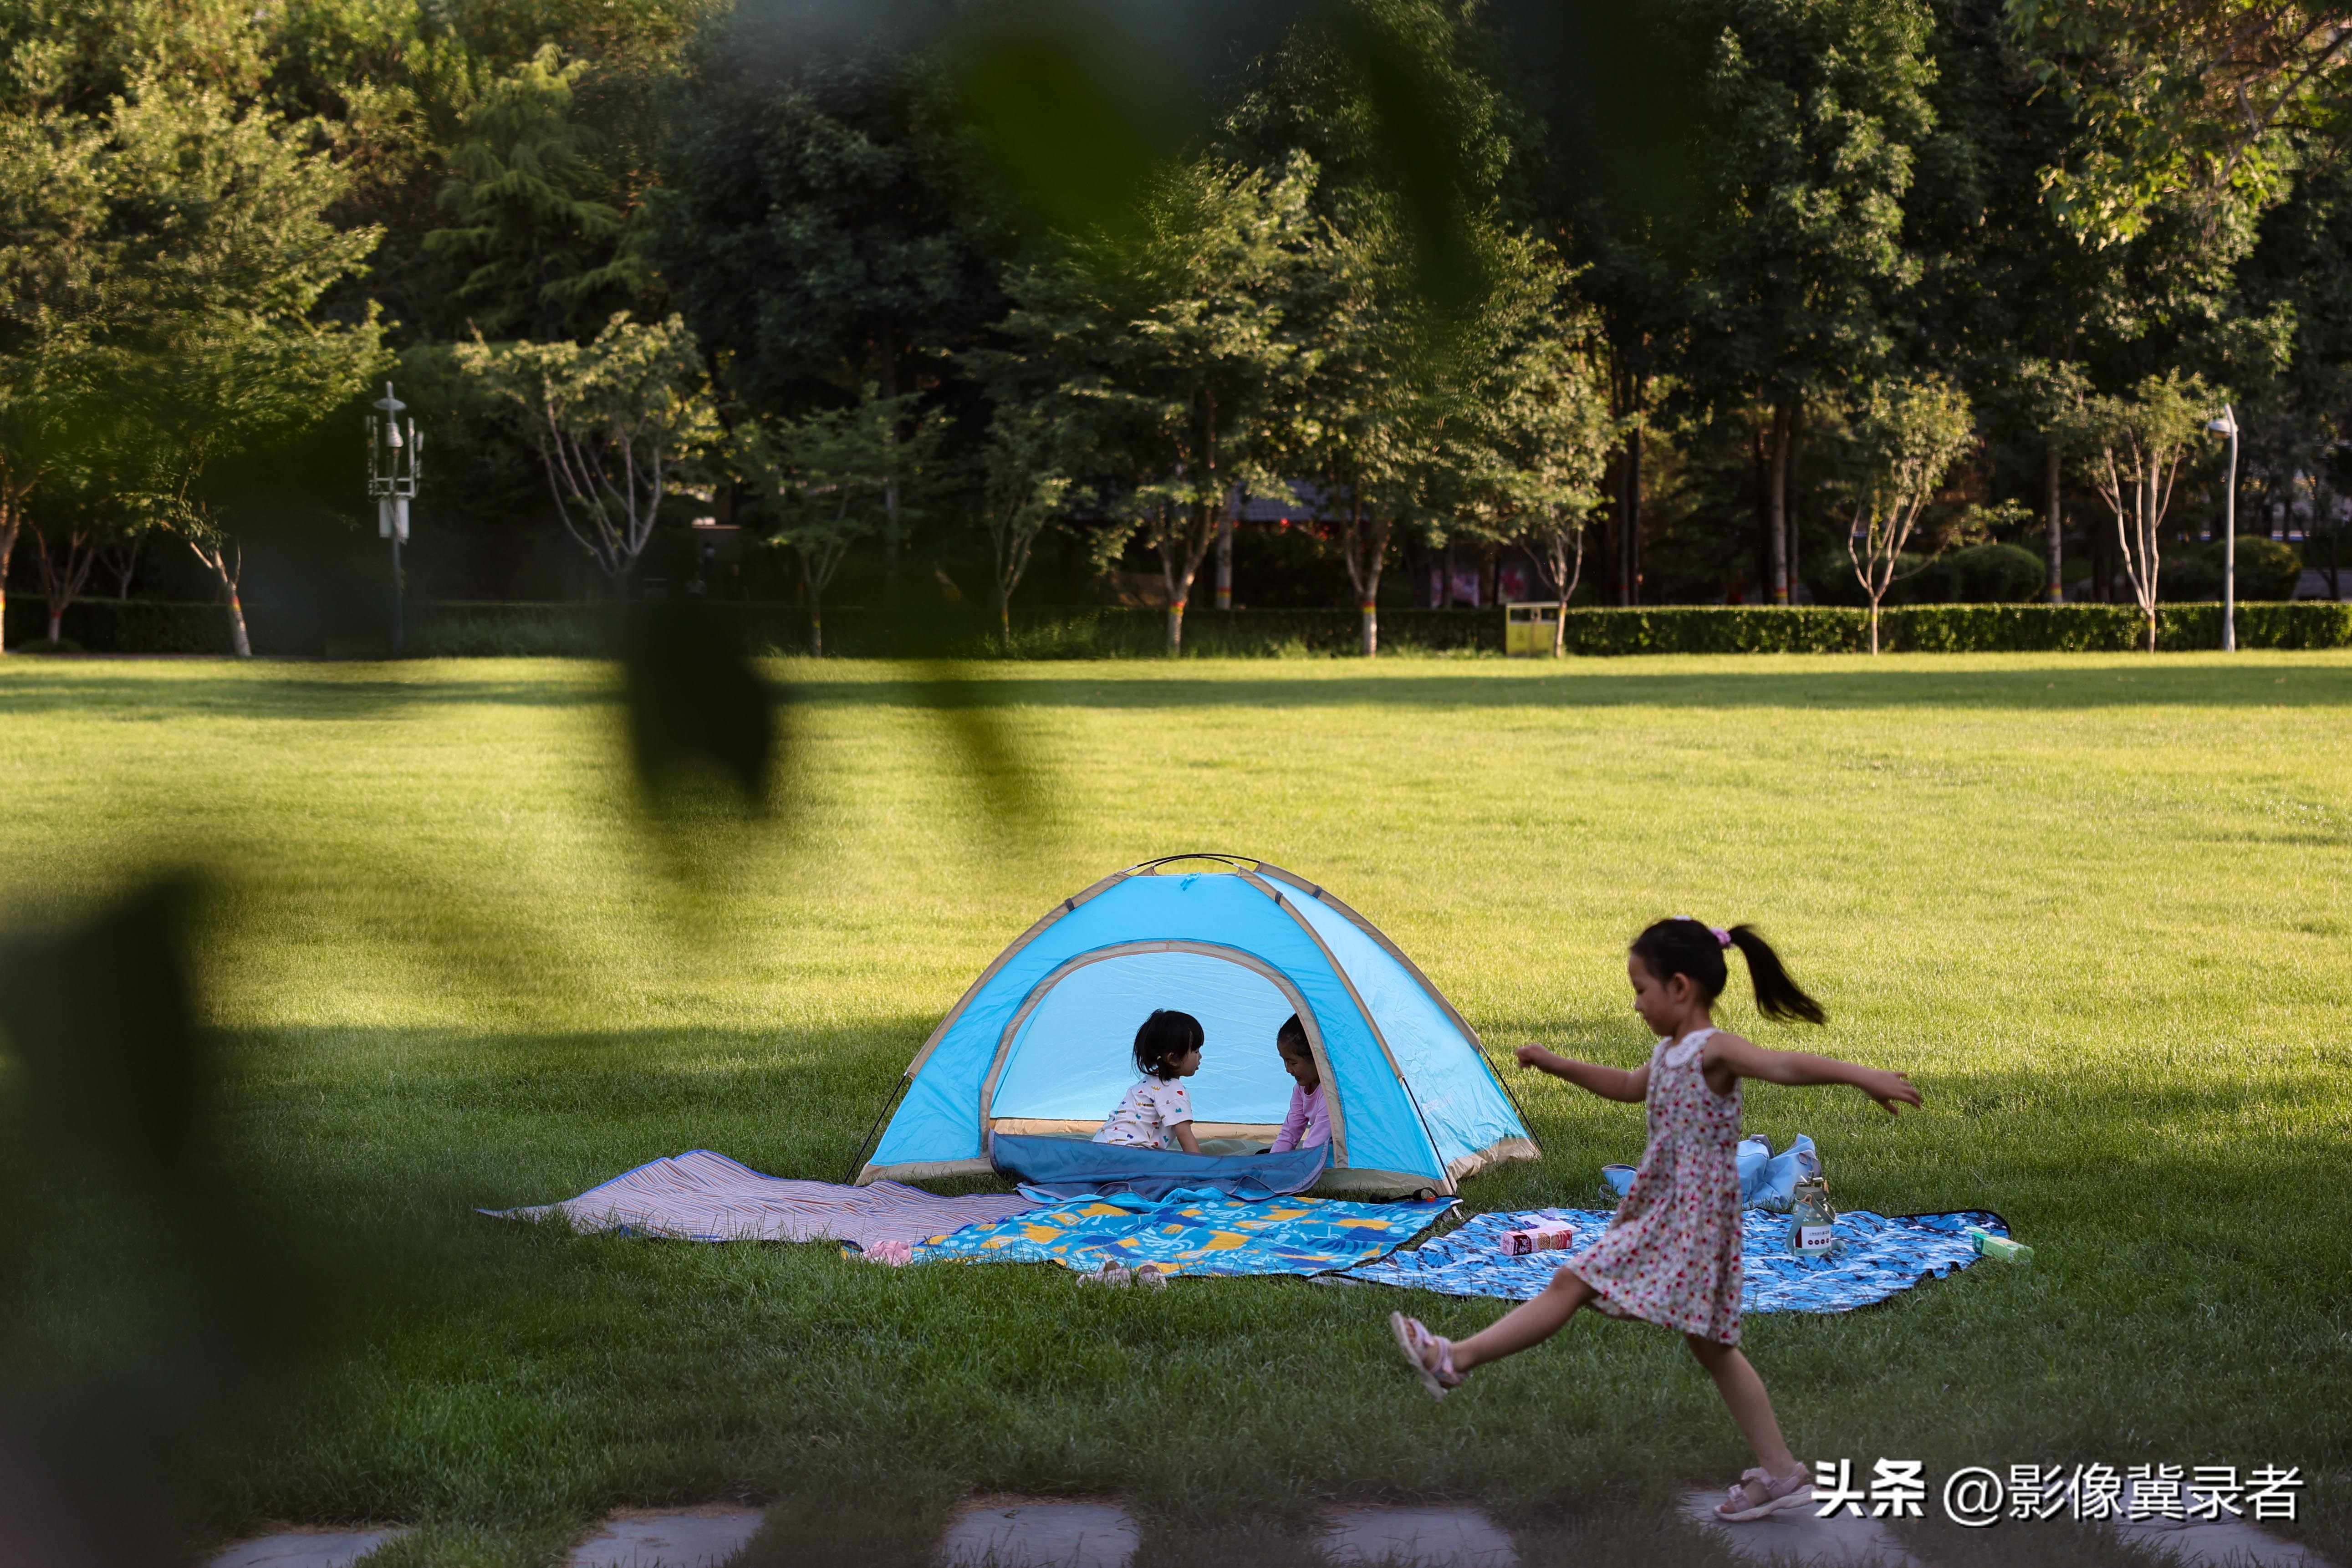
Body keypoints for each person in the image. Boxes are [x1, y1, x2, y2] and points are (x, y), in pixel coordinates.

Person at [1386, 918, 1923, 1523]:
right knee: (1714, 1345)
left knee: (1573, 1279)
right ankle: (1781, 1472)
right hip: (1681, 1216)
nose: (1636, 1002)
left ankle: (1453, 1358)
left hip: (1687, 1221)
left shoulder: (1712, 1049)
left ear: (1680, 986)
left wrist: (1863, 1074)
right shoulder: (1669, 1053)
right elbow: (1624, 1086)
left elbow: (1783, 1064)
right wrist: (1553, 1062)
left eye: (1640, 988)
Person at [1093, 1009, 1206, 1154]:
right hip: (1126, 1153)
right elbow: (1185, 1135)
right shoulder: (1174, 1088)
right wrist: (1204, 1169)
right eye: (1196, 1051)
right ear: (1173, 1059)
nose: (1200, 1056)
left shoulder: (1148, 1083)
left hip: (1100, 1147)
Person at [1267, 1013, 1330, 1154]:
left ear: (1317, 1058)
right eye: (1285, 1061)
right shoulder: (1300, 1090)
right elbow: (1290, 1132)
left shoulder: (1330, 1096)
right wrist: (1273, 1161)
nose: (1288, 1069)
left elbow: (1314, 1146)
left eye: (1293, 1063)